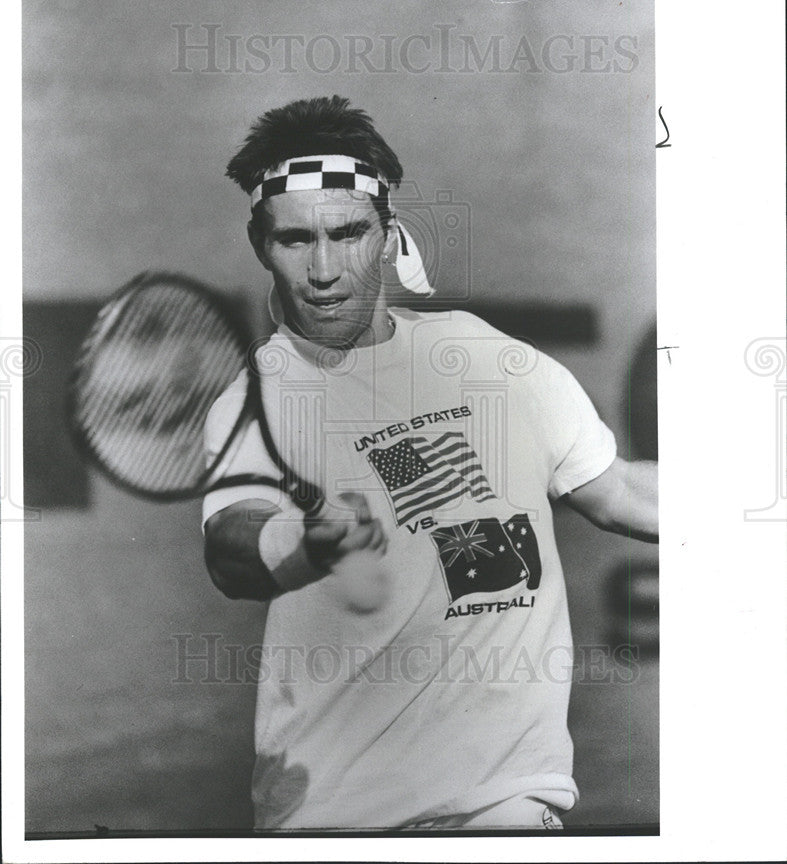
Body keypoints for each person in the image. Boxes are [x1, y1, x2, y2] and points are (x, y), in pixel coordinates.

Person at [202, 95, 658, 831]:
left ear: (388, 233)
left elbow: (616, 490)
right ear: (261, 245)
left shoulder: (488, 357)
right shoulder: (255, 400)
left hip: (504, 808)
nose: (322, 269)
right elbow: (232, 545)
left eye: (347, 233)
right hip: (333, 821)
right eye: (294, 241)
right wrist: (304, 542)